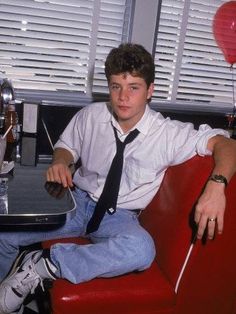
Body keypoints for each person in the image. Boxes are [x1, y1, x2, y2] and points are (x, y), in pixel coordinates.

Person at [0, 43, 236, 314]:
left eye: (133, 87)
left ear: (150, 91)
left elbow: (227, 145)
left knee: (141, 250)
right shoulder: (91, 116)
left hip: (120, 217)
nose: (123, 97)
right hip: (76, 204)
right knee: (4, 232)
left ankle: (43, 264)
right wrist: (60, 162)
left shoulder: (168, 133)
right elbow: (67, 146)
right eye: (115, 86)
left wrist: (216, 185)